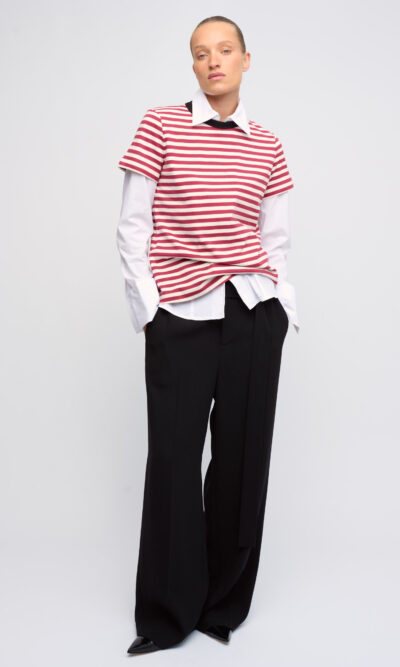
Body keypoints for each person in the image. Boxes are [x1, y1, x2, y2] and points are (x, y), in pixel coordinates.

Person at [116, 15, 300, 655]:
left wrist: (279, 305)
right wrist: (150, 310)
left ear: (246, 60)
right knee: (172, 461)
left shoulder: (268, 144)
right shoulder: (161, 126)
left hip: (252, 312)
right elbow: (133, 225)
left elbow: (275, 237)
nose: (213, 61)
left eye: (225, 50)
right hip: (181, 314)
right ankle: (167, 614)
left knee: (243, 462)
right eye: (201, 53)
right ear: (192, 64)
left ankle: (222, 606)